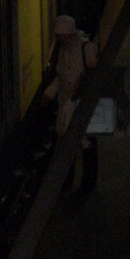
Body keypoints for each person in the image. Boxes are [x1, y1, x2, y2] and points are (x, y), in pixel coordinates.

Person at [42, 15, 99, 195]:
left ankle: (87, 184)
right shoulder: (64, 50)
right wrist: (49, 94)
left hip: (83, 107)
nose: (57, 39)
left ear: (68, 34)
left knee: (87, 146)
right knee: (69, 146)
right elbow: (60, 77)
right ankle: (68, 181)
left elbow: (95, 74)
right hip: (67, 106)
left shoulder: (86, 48)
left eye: (59, 35)